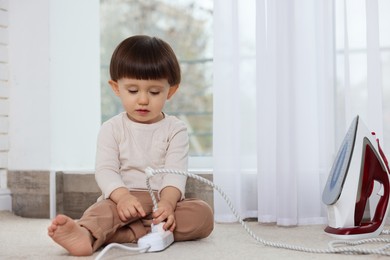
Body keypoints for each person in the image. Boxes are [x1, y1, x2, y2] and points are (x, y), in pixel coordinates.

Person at [47, 35, 214, 256]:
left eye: (154, 92)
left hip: (160, 201)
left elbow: (176, 173)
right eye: (133, 91)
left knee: (202, 215)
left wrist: (167, 203)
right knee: (101, 212)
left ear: (170, 91)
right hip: (122, 201)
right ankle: (86, 234)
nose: (143, 100)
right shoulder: (112, 128)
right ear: (116, 88)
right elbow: (106, 170)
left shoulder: (176, 129)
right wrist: (123, 197)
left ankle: (122, 234)